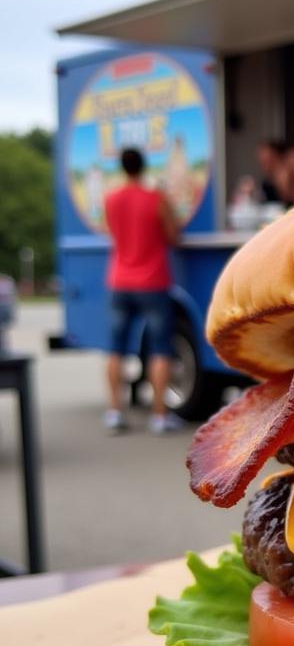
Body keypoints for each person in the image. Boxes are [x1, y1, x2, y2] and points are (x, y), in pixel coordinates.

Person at [101, 147, 182, 434]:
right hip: (153, 281)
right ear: (144, 166)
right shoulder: (156, 199)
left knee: (115, 349)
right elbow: (173, 236)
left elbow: (110, 232)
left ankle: (114, 411)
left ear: (122, 168)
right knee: (160, 348)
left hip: (119, 281)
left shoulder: (110, 199)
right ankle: (160, 416)